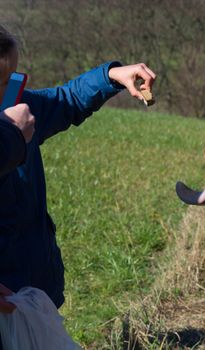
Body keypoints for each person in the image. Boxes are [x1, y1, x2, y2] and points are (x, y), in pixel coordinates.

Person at [0, 23, 156, 324]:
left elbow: (65, 100)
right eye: (5, 82)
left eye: (16, 77)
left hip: (34, 284)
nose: (15, 91)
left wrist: (110, 76)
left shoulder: (21, 111)